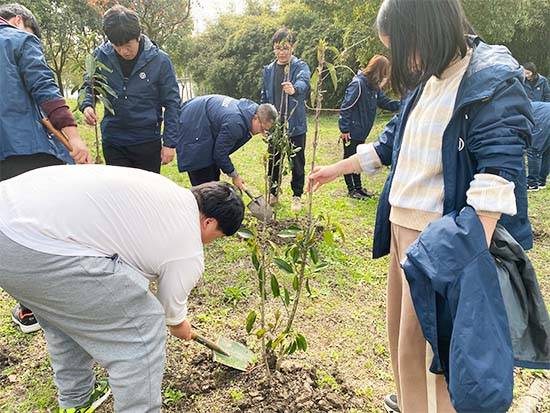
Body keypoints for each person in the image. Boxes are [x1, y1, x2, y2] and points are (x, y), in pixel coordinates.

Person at [308, 0, 533, 412]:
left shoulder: (489, 78)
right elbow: (391, 143)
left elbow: (497, 176)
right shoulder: (427, 83)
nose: (403, 59)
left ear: (428, 28)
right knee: (402, 343)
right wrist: (334, 169)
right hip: (401, 230)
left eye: (403, 45)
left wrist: (460, 260)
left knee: (433, 355)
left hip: (440, 241)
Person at [0, 164, 245, 412]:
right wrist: (180, 325)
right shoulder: (188, 248)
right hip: (38, 245)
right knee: (143, 327)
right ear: (209, 222)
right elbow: (169, 311)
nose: (212, 242)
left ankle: (76, 400)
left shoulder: (163, 191)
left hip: (12, 221)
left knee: (67, 315)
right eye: (219, 235)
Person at [0, 3, 91, 334]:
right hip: (27, 151)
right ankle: (65, 296)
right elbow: (46, 93)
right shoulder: (18, 40)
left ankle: (30, 308)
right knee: (46, 223)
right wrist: (75, 138)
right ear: (21, 21)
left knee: (11, 231)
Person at [79, 5, 181, 173]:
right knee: (121, 194)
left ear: (138, 36)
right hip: (114, 140)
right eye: (116, 46)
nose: (123, 51)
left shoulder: (160, 61)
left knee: (146, 194)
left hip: (147, 141)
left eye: (127, 45)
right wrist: (87, 105)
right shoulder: (100, 56)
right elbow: (87, 86)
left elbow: (172, 103)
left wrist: (170, 143)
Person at [175, 94, 277, 191]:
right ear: (255, 117)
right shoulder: (236, 123)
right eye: (262, 128)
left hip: (202, 123)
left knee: (213, 179)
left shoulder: (248, 111)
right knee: (205, 186)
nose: (262, 133)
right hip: (192, 126)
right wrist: (235, 175)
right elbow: (220, 154)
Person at [261, 27, 311, 212]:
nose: (281, 52)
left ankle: (297, 196)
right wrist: (264, 121)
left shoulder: (300, 66)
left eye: (285, 48)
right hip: (276, 125)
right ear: (274, 49)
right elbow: (264, 96)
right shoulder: (268, 70)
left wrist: (294, 89)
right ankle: (273, 193)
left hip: (295, 124)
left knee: (297, 161)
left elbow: (304, 82)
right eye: (278, 48)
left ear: (293, 48)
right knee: (274, 159)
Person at [339, 55, 400, 200]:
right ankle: (351, 189)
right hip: (352, 131)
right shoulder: (358, 84)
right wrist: (344, 129)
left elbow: (384, 102)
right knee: (349, 158)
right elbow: (346, 107)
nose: (385, 78)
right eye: (384, 73)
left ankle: (359, 188)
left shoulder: (373, 88)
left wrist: (403, 105)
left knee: (357, 158)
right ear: (378, 71)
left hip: (362, 130)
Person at [527, 102, 550, 191]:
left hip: (544, 118)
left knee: (534, 150)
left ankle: (532, 183)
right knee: (546, 152)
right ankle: (541, 181)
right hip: (545, 114)